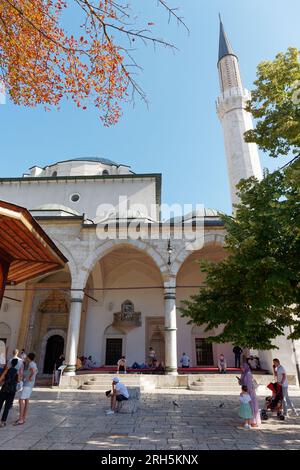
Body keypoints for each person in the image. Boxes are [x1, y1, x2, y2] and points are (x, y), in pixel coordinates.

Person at [14, 352, 38, 425]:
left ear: (28, 358)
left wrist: (30, 377)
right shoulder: (34, 363)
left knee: (21, 400)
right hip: (30, 384)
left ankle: (21, 419)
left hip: (27, 384)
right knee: (26, 400)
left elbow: (34, 371)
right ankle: (23, 417)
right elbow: (34, 371)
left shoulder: (31, 364)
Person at [0, 358, 20, 427]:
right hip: (12, 391)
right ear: (16, 364)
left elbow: (0, 379)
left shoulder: (7, 370)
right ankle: (3, 422)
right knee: (7, 407)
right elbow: (19, 381)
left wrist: (3, 381)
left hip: (4, 389)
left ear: (11, 363)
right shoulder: (17, 371)